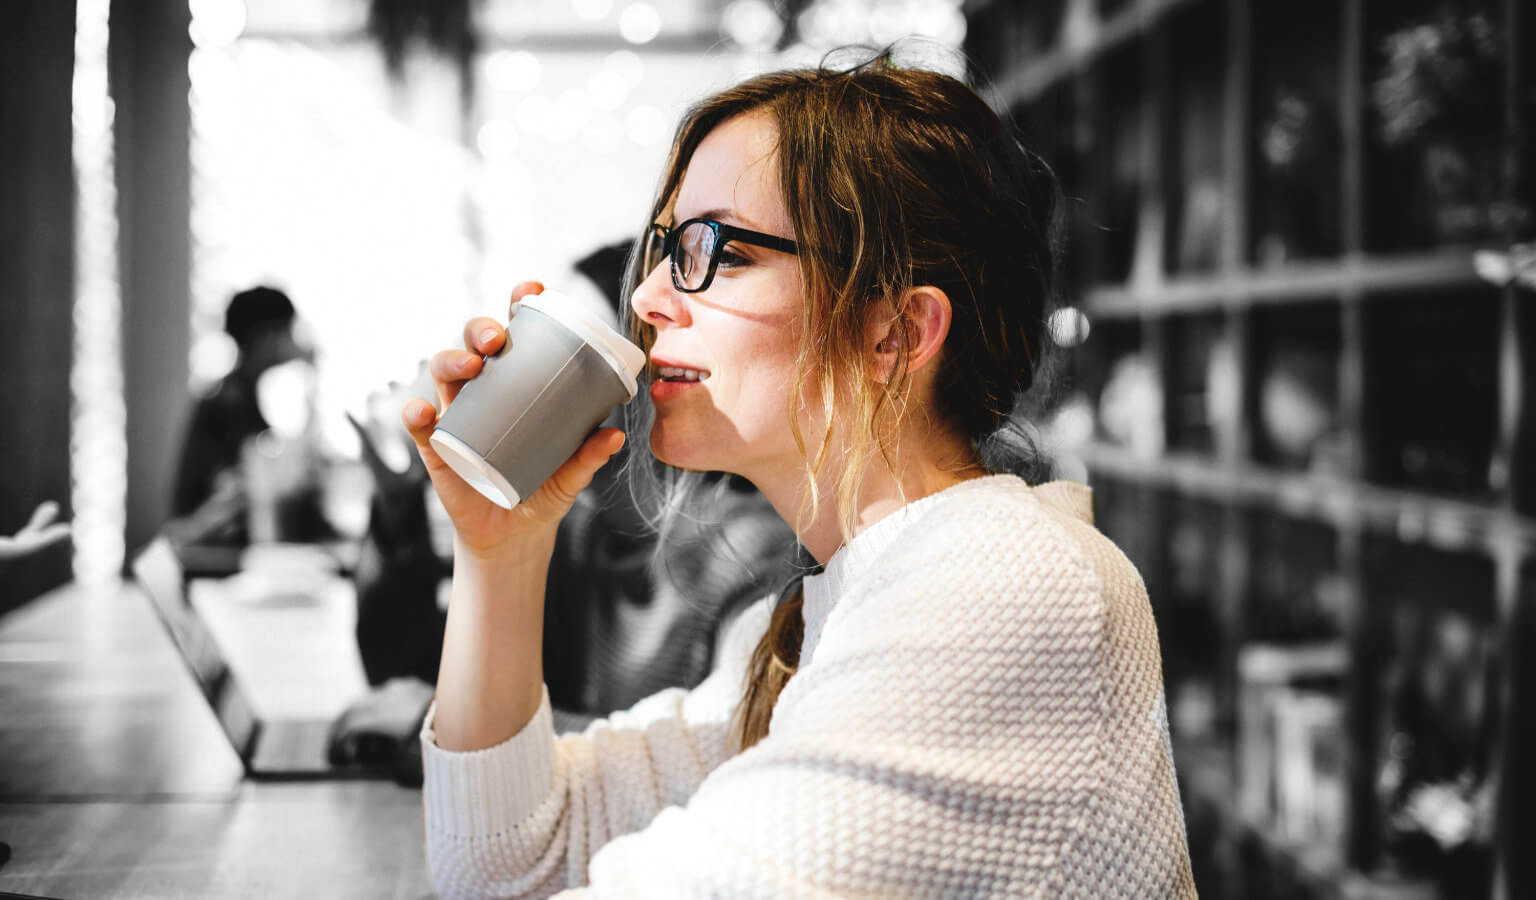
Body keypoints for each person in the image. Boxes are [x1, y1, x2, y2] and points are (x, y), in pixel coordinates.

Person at [405, 54, 1196, 897]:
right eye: (668, 246)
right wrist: (500, 548)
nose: (648, 299)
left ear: (894, 332)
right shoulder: (797, 633)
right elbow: (509, 863)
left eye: (720, 251)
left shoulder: (1007, 582)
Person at [167, 285, 329, 549]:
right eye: (288, 329)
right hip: (218, 557)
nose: (294, 339)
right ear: (267, 337)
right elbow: (235, 495)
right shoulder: (227, 405)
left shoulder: (244, 397)